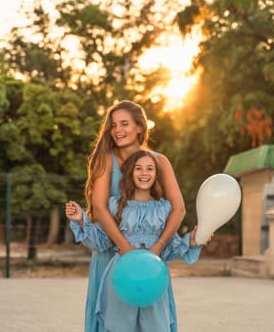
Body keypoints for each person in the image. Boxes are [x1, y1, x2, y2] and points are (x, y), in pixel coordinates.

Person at [66, 100, 186, 332]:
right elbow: (99, 208)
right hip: (111, 255)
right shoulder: (105, 159)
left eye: (124, 124)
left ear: (139, 127)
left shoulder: (159, 162)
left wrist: (158, 248)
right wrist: (125, 250)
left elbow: (178, 209)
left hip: (150, 257)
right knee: (113, 322)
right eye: (113, 125)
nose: (117, 130)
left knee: (152, 319)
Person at [66, 150, 204, 331]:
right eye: (138, 168)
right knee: (120, 325)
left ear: (156, 175)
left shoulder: (164, 208)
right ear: (130, 172)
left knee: (155, 325)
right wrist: (80, 220)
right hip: (122, 275)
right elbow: (101, 241)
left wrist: (191, 241)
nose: (144, 173)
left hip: (153, 276)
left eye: (150, 169)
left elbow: (169, 247)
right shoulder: (115, 206)